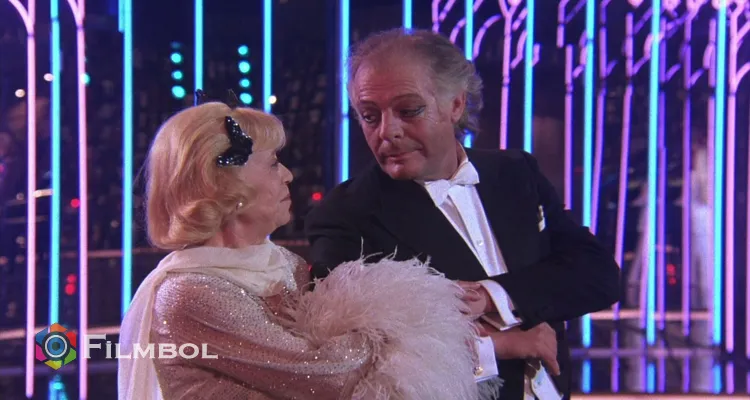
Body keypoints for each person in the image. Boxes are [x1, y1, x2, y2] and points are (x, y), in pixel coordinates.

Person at [305, 28, 621, 400]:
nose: (387, 132)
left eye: (408, 110)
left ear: (456, 104)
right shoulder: (346, 214)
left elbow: (599, 275)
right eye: (370, 116)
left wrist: (492, 296)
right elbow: (350, 357)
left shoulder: (516, 173)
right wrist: (500, 347)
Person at [117, 95, 496, 399]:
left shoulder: (285, 262)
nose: (287, 175)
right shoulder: (191, 294)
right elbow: (329, 375)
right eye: (273, 164)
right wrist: (397, 327)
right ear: (227, 187)